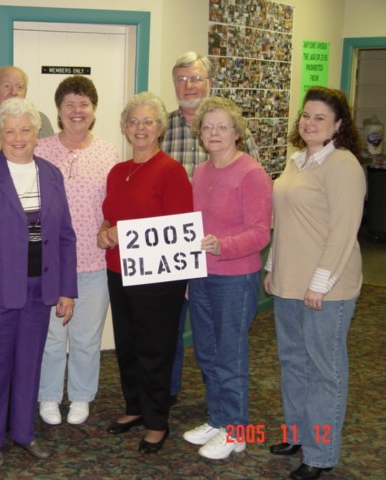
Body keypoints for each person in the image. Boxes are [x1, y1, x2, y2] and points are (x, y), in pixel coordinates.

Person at [0, 97, 77, 467]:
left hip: (39, 290)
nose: (18, 137)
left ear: (37, 133)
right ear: (0, 133)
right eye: (10, 130)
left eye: (26, 129)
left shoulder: (51, 173)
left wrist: (66, 289)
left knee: (29, 366)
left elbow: (65, 236)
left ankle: (23, 432)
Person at [263, 87, 364, 480]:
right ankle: (297, 434)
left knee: (325, 370)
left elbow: (343, 231)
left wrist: (319, 284)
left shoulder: (343, 165)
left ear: (339, 125)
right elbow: (286, 222)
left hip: (328, 288)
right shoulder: (297, 161)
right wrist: (274, 266)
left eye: (320, 117)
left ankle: (321, 453)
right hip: (289, 282)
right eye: (306, 115)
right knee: (293, 363)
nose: (309, 122)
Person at [162, 51, 260, 406]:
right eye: (182, 78)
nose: (189, 85)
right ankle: (175, 395)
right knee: (191, 337)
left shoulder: (244, 161)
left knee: (225, 347)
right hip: (179, 252)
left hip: (226, 263)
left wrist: (222, 246)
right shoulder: (163, 126)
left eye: (196, 78)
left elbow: (258, 222)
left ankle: (221, 412)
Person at [98, 92, 192, 454]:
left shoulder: (171, 171)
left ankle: (157, 421)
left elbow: (177, 229)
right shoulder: (118, 171)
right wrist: (104, 230)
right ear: (124, 127)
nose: (140, 128)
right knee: (128, 346)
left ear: (160, 128)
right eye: (133, 121)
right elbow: (112, 213)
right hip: (117, 270)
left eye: (147, 121)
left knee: (154, 350)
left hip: (157, 278)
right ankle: (135, 407)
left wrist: (122, 233)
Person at [181, 97, 272, 460]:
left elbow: (260, 233)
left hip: (235, 278)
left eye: (222, 126)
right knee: (206, 353)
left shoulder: (251, 173)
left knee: (229, 356)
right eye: (207, 127)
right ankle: (218, 419)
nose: (214, 133)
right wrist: (189, 273)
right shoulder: (201, 172)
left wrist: (223, 245)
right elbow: (191, 229)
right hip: (202, 277)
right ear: (199, 134)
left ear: (236, 132)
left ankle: (237, 430)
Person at [36, 76, 119, 426]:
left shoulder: (107, 152)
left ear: (94, 110)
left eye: (84, 104)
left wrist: (109, 229)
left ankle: (82, 396)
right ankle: (49, 396)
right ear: (58, 110)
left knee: (85, 338)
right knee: (52, 337)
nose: (77, 110)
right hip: (49, 263)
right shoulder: (40, 149)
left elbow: (113, 206)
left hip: (93, 263)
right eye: (69, 103)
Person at [0, 65, 54, 138]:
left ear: (26, 92)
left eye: (20, 87)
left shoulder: (40, 120)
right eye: (7, 86)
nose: (14, 92)